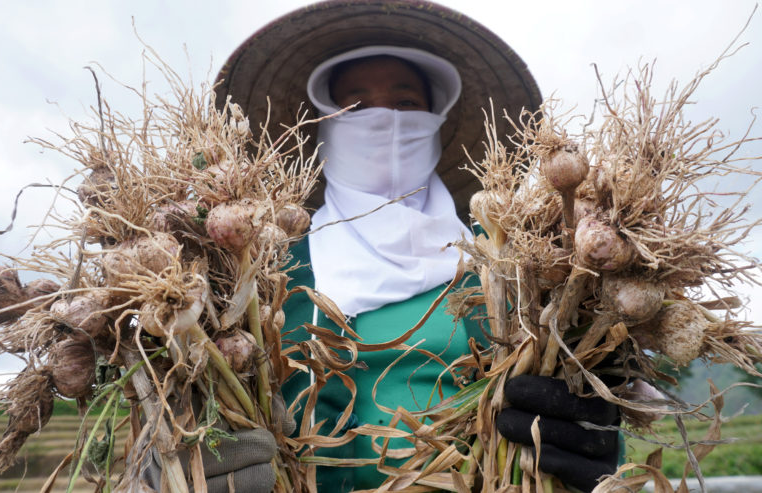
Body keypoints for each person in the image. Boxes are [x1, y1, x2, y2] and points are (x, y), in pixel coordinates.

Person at [212, 1, 621, 492]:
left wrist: (587, 450)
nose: (384, 121)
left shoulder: (511, 269)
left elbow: (564, 403)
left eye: (406, 103)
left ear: (436, 123)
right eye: (355, 107)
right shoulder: (260, 274)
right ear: (323, 127)